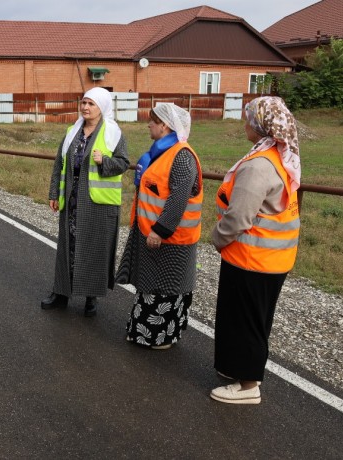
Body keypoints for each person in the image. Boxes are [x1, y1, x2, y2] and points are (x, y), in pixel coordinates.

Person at [210, 96, 301, 404]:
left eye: (249, 118)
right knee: (255, 319)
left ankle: (248, 387)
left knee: (245, 321)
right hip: (272, 259)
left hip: (252, 259)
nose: (245, 123)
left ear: (261, 125)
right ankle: (240, 371)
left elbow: (239, 216)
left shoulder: (258, 166)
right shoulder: (278, 156)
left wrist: (218, 237)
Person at [116, 103, 203, 350]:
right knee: (152, 286)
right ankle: (146, 333)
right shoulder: (164, 152)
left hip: (172, 240)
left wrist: (160, 230)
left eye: (152, 121)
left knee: (166, 289)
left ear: (165, 125)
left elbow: (179, 198)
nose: (148, 125)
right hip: (156, 236)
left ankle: (161, 336)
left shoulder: (182, 156)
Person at [41, 87, 130, 317]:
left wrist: (105, 161)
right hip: (72, 201)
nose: (86, 107)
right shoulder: (72, 131)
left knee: (93, 249)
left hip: (98, 204)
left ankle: (91, 298)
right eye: (83, 103)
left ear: (101, 107)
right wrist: (54, 193)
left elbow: (123, 163)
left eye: (91, 104)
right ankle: (61, 293)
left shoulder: (113, 133)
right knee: (67, 247)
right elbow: (59, 164)